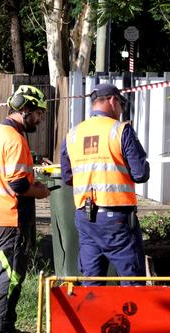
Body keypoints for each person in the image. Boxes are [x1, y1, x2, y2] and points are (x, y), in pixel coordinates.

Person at [0, 85, 51, 333]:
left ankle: (7, 329)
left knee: (10, 274)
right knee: (11, 277)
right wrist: (41, 191)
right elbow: (19, 186)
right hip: (9, 217)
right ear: (25, 109)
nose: (40, 119)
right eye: (38, 113)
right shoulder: (15, 139)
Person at [60, 83, 150, 285]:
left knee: (91, 281)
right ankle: (133, 316)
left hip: (85, 217)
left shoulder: (73, 134)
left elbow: (67, 176)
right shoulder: (120, 130)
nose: (120, 110)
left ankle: (94, 317)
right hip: (116, 216)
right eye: (121, 104)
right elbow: (140, 174)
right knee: (132, 279)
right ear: (112, 100)